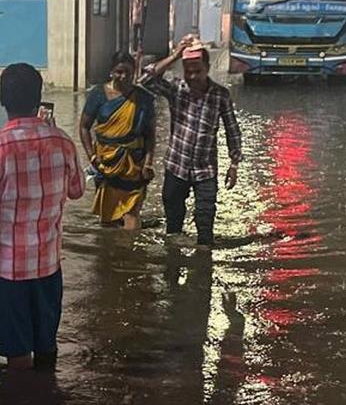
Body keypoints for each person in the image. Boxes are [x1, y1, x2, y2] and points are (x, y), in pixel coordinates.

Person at [0, 63, 85, 372]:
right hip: (48, 268)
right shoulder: (63, 142)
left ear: (2, 99)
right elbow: (77, 191)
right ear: (39, 99)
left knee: (17, 355)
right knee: (46, 347)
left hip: (7, 273)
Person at [142, 35, 242, 247]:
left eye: (198, 70)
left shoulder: (220, 95)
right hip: (176, 166)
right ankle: (172, 268)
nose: (193, 76)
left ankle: (203, 268)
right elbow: (146, 79)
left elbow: (232, 129)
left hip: (205, 170)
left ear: (207, 68)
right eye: (188, 71)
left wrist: (234, 164)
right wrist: (176, 54)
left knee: (205, 224)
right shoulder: (176, 89)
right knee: (173, 226)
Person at [78, 52, 157, 230]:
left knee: (132, 211)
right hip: (106, 163)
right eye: (119, 72)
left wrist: (148, 163)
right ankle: (108, 255)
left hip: (135, 164)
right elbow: (84, 127)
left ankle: (131, 254)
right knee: (108, 215)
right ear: (111, 72)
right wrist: (92, 156)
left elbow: (151, 134)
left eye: (129, 72)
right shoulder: (98, 95)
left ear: (135, 72)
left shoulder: (143, 99)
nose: (124, 77)